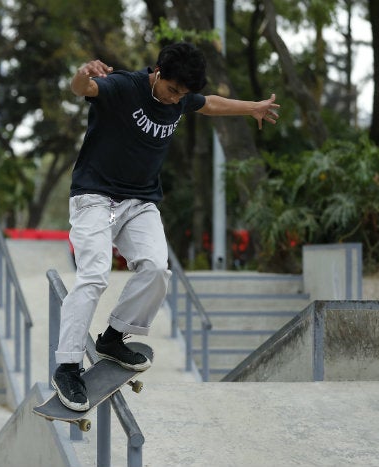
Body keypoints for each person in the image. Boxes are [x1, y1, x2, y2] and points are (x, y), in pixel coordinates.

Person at [52, 42, 280, 411]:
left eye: (182, 95)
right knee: (94, 274)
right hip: (95, 197)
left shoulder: (183, 98)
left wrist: (252, 107)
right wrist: (83, 74)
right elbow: (86, 90)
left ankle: (113, 337)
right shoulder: (125, 86)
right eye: (171, 90)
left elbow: (210, 104)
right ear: (157, 72)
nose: (176, 100)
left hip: (140, 202)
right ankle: (67, 366)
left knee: (158, 269)